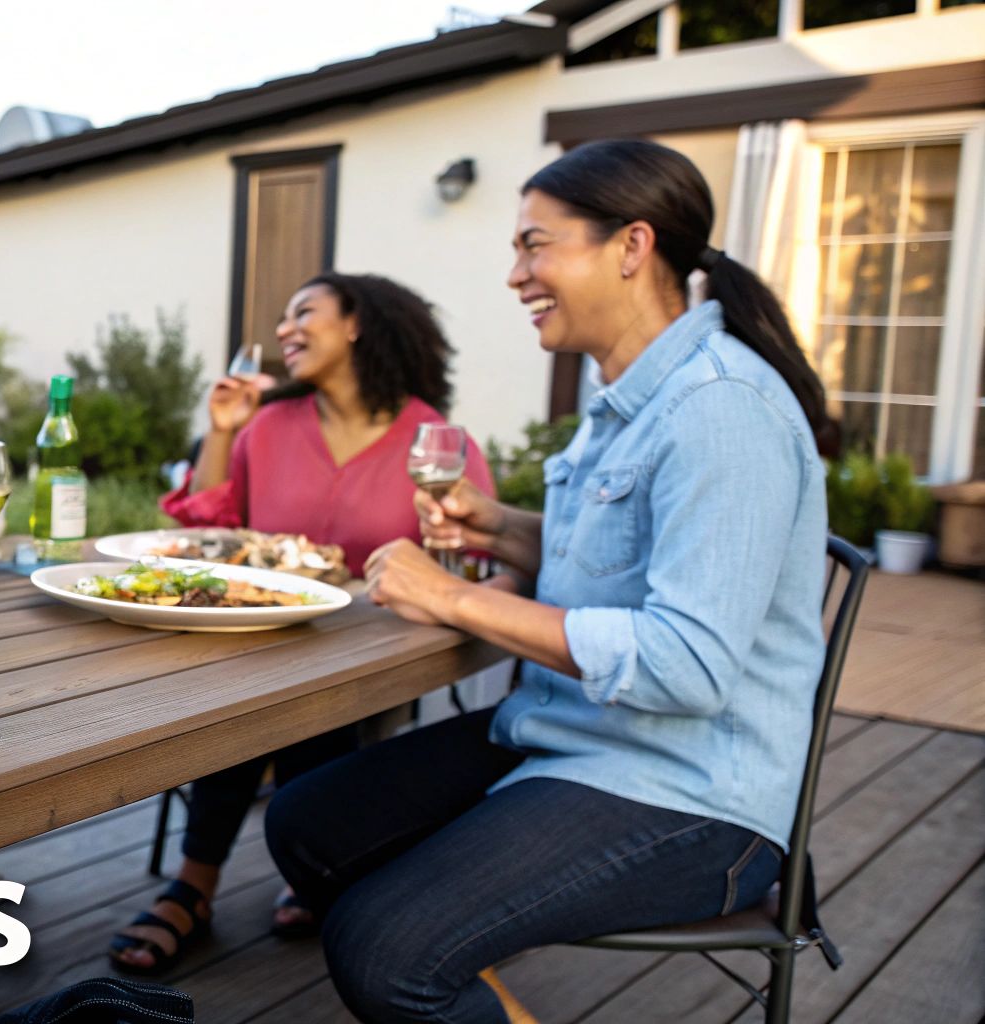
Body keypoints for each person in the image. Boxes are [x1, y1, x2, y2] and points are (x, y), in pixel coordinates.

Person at [263, 139, 837, 1023]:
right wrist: (509, 532)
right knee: (305, 824)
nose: (515, 274)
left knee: (382, 950)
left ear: (631, 247)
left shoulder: (721, 408)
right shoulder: (623, 401)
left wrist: (456, 596)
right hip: (568, 731)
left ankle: (437, 959)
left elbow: (687, 663)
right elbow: (627, 561)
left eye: (535, 245)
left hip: (691, 794)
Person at [108, 273, 495, 972]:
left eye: (304, 314)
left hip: (380, 651)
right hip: (267, 640)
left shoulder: (436, 441)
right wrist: (222, 433)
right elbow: (211, 532)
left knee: (296, 704)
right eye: (282, 319)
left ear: (356, 324)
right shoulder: (269, 425)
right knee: (251, 693)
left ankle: (207, 882)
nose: (285, 330)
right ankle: (280, 873)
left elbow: (473, 553)